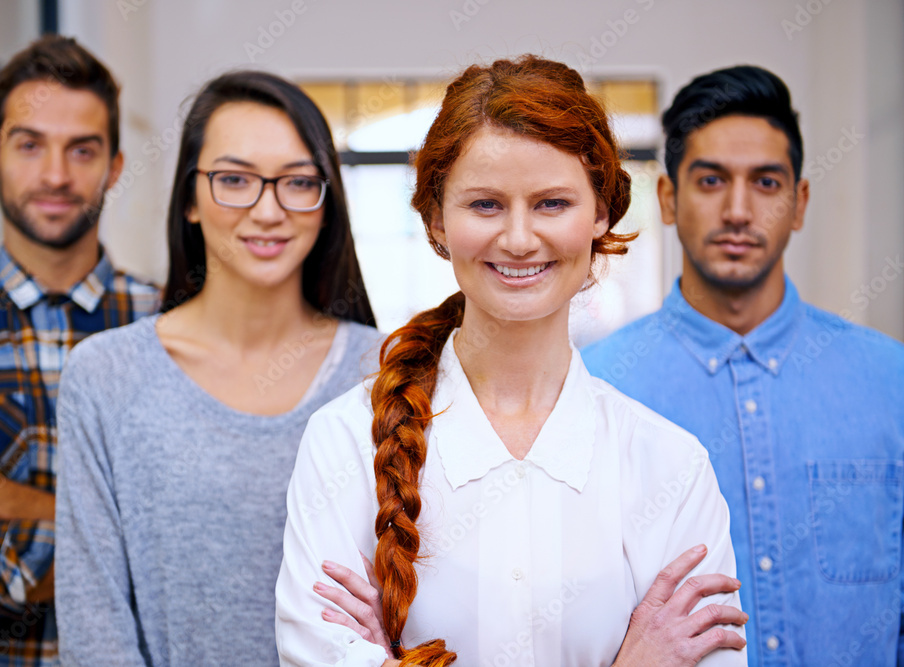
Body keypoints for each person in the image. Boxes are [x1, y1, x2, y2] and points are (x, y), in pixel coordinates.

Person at [276, 55, 748, 667]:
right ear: (436, 219)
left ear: (601, 214)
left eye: (553, 203)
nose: (520, 239)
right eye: (486, 205)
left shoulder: (671, 469)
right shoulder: (342, 444)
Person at [54, 70, 384, 666]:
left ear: (326, 200)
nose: (267, 210)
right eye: (234, 179)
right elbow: (93, 624)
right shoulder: (105, 377)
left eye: (298, 182)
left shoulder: (384, 372)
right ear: (189, 199)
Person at [582, 65, 904, 665]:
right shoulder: (594, 386)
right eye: (710, 181)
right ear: (669, 200)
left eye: (766, 183)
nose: (737, 210)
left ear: (799, 201)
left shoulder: (891, 381)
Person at [0, 35, 159, 665]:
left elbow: (198, 540)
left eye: (82, 150)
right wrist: (122, 549)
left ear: (116, 166)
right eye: (29, 145)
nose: (55, 175)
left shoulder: (168, 325)